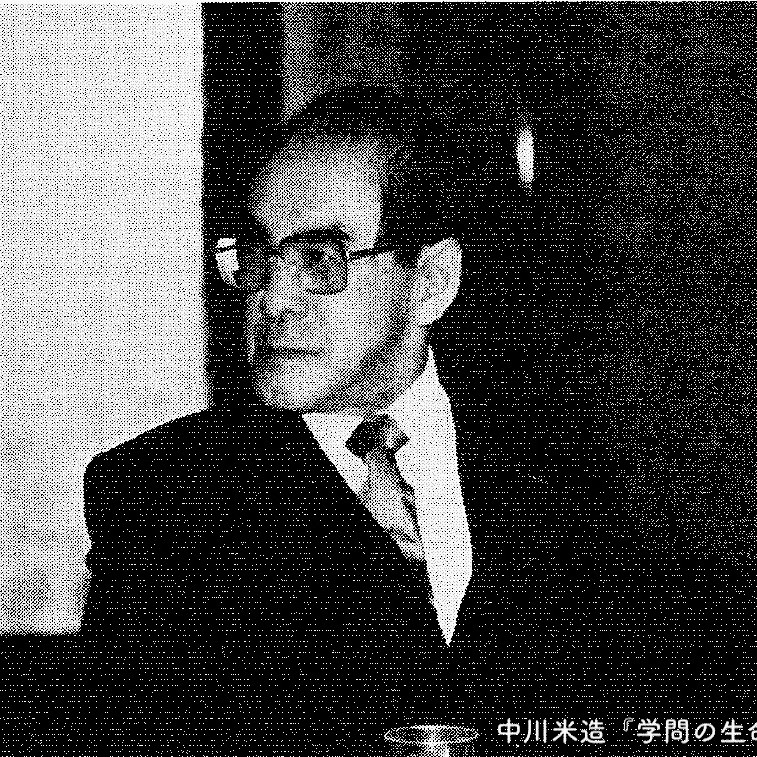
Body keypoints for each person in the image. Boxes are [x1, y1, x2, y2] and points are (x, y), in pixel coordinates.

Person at [70, 86, 687, 757]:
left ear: (431, 281)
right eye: (257, 256)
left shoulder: (567, 470)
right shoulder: (165, 497)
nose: (272, 299)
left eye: (319, 259)